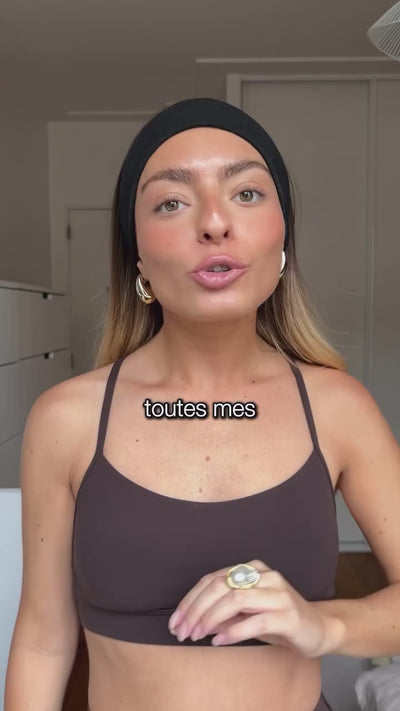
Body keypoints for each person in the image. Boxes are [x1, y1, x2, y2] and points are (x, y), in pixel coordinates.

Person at [5, 98, 400, 711]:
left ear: (284, 240)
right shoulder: (66, 420)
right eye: (171, 202)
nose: (214, 222)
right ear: (137, 256)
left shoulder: (339, 408)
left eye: (247, 193)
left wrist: (324, 624)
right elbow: (42, 641)